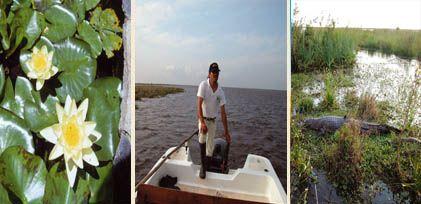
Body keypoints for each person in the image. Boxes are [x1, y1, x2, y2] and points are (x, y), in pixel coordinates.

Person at [197, 62, 231, 179]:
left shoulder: (220, 91)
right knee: (202, 139)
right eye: (213, 72)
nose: (215, 74)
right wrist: (202, 122)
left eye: (217, 72)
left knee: (210, 148)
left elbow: (223, 112)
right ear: (209, 74)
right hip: (203, 119)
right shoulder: (203, 85)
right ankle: (203, 167)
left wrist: (226, 132)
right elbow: (199, 105)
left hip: (213, 121)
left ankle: (207, 164)